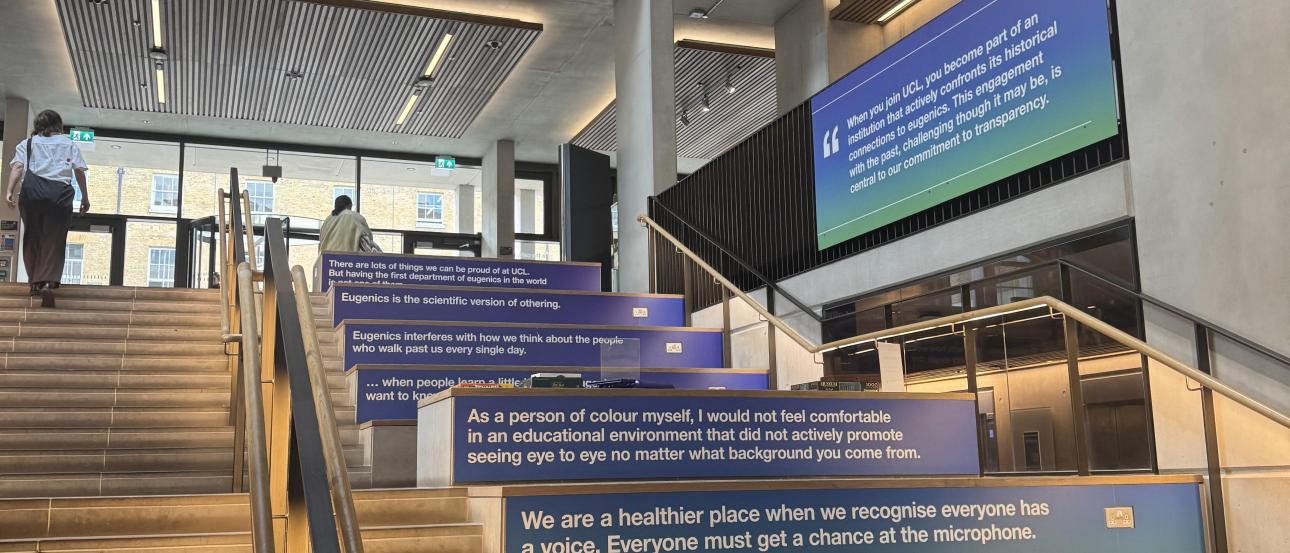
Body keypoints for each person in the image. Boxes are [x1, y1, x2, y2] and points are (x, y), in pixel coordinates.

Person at [5, 110, 90, 307]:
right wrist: (85, 197)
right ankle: (48, 283)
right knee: (54, 240)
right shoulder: (69, 144)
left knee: (32, 237)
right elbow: (79, 171)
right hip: (59, 196)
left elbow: (18, 167)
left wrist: (9, 190)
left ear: (38, 125)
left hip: (32, 195)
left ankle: (35, 280)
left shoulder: (27, 144)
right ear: (59, 125)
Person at [313, 194, 378, 290]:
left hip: (326, 265)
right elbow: (368, 239)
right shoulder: (354, 216)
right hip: (346, 264)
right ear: (349, 205)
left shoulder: (327, 220)